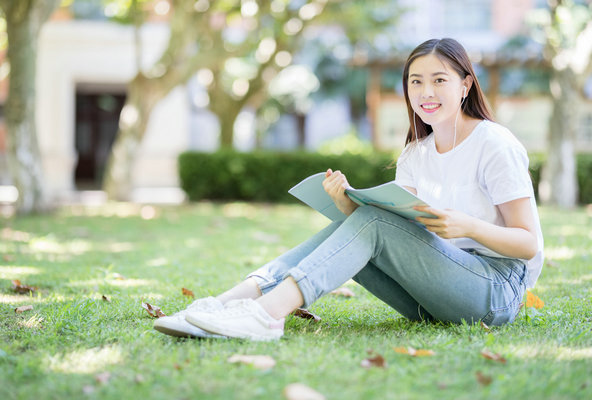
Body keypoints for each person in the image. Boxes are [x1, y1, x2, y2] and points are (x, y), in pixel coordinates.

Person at [154, 38, 544, 341]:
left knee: (373, 223)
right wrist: (344, 203)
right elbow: (389, 230)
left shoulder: (494, 143)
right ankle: (224, 305)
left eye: (439, 80)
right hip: (432, 294)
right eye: (416, 81)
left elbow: (528, 244)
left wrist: (469, 227)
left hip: (495, 291)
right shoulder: (415, 152)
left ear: (465, 86)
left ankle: (265, 315)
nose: (426, 92)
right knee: (362, 222)